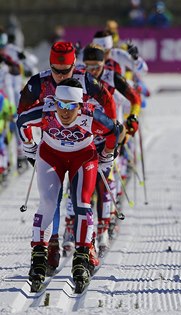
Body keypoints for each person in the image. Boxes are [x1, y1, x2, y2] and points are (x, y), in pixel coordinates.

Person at [17, 41, 117, 272]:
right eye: (56, 70)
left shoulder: (85, 80)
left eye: (66, 71)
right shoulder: (39, 82)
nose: (61, 76)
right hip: (51, 144)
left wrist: (105, 146)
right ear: (50, 65)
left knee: (81, 196)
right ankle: (52, 242)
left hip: (84, 142)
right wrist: (30, 146)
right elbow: (23, 113)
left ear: (74, 64)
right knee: (52, 197)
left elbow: (108, 106)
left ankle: (86, 245)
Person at [81, 43, 141, 252]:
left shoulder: (113, 78)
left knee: (104, 181)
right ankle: (74, 227)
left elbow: (135, 99)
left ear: (104, 63)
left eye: (96, 66)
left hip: (109, 134)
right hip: (85, 136)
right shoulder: (79, 78)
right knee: (80, 185)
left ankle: (103, 228)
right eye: (87, 66)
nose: (92, 72)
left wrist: (132, 118)